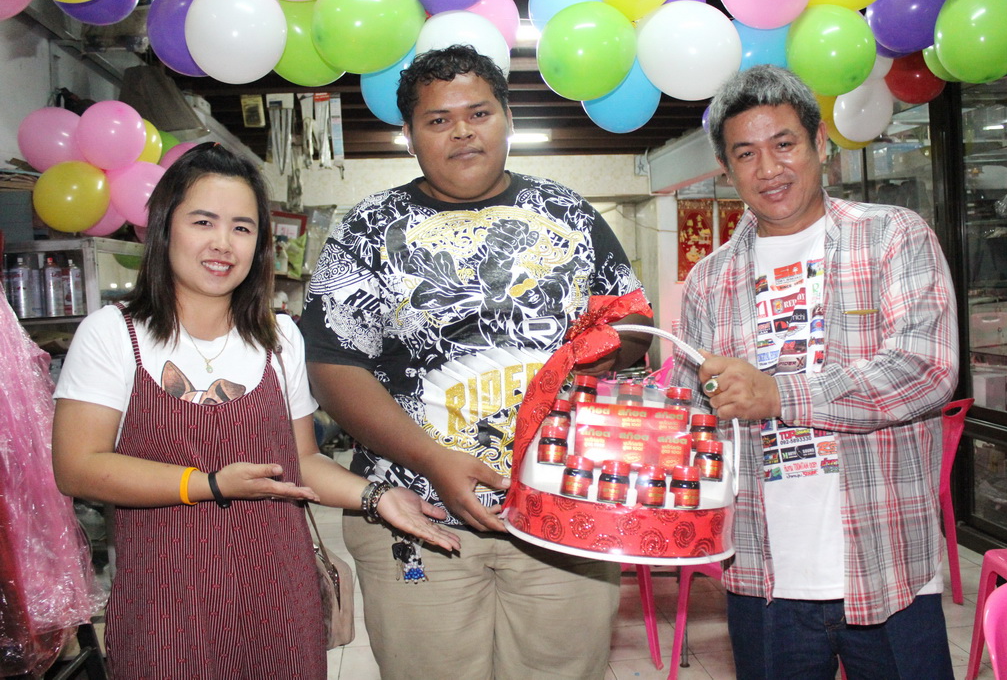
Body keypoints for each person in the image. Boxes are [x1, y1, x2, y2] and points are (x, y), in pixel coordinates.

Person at [299, 45, 652, 679]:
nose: (462, 131)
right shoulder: (367, 231)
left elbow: (632, 324)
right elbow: (331, 364)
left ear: (508, 120)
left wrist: (605, 350)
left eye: (479, 113)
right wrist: (432, 460)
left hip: (562, 511)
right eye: (438, 120)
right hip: (416, 515)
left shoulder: (570, 215)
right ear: (409, 136)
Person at [51, 143, 460, 679]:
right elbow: (78, 466)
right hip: (166, 604)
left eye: (242, 228)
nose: (223, 243)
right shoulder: (113, 333)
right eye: (203, 221)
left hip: (278, 598)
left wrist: (377, 497)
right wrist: (211, 484)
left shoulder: (279, 337)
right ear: (165, 228)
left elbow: (302, 462)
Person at [671, 65, 959, 679]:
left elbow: (925, 369)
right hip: (762, 577)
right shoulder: (707, 282)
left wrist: (779, 395)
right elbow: (689, 416)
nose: (768, 169)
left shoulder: (891, 237)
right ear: (726, 168)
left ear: (820, 142)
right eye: (745, 153)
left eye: (784, 144)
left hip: (889, 567)